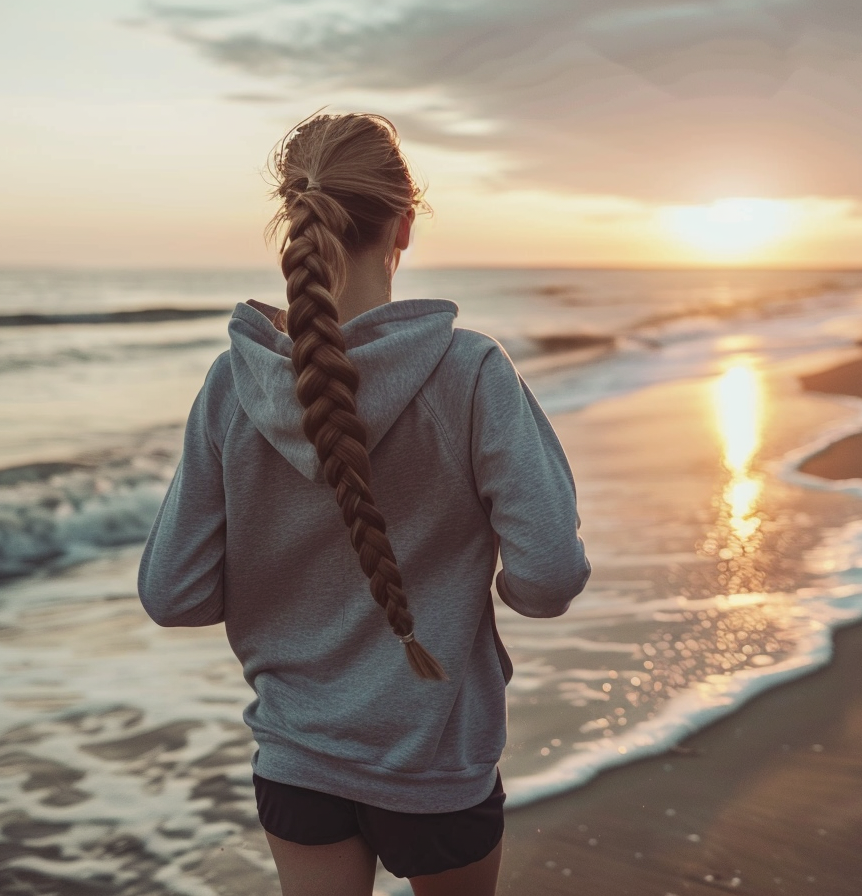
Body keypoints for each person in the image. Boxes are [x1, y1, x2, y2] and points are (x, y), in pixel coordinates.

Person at [137, 111, 590, 896]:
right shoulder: (471, 373)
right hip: (435, 753)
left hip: (297, 756)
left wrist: (284, 579)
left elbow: (172, 594)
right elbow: (549, 577)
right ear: (404, 226)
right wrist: (475, 598)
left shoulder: (233, 386)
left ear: (294, 219)